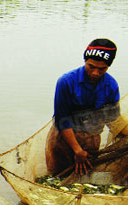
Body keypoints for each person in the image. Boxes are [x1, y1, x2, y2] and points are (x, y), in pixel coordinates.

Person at [46, 38, 121, 175]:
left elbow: (113, 119)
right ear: (85, 61)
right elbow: (62, 120)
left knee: (84, 178)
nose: (95, 73)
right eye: (91, 66)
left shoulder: (111, 85)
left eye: (102, 69)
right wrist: (77, 150)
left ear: (108, 67)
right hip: (63, 139)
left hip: (91, 140)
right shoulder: (66, 81)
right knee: (57, 177)